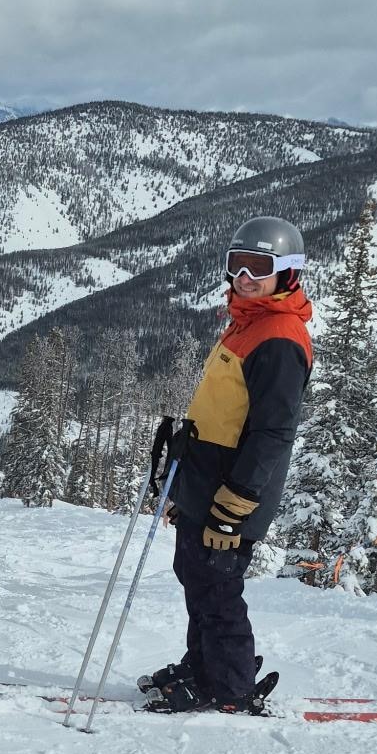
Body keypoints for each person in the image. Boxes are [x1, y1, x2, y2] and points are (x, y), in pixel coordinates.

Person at [141, 216, 314, 714]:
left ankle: (232, 685)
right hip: (208, 483)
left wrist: (235, 503)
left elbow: (273, 432)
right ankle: (203, 666)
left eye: (259, 266)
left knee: (217, 587)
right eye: (237, 264)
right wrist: (187, 490)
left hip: (233, 493)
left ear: (287, 272)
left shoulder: (279, 336)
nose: (245, 275)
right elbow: (223, 416)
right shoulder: (248, 323)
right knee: (196, 576)